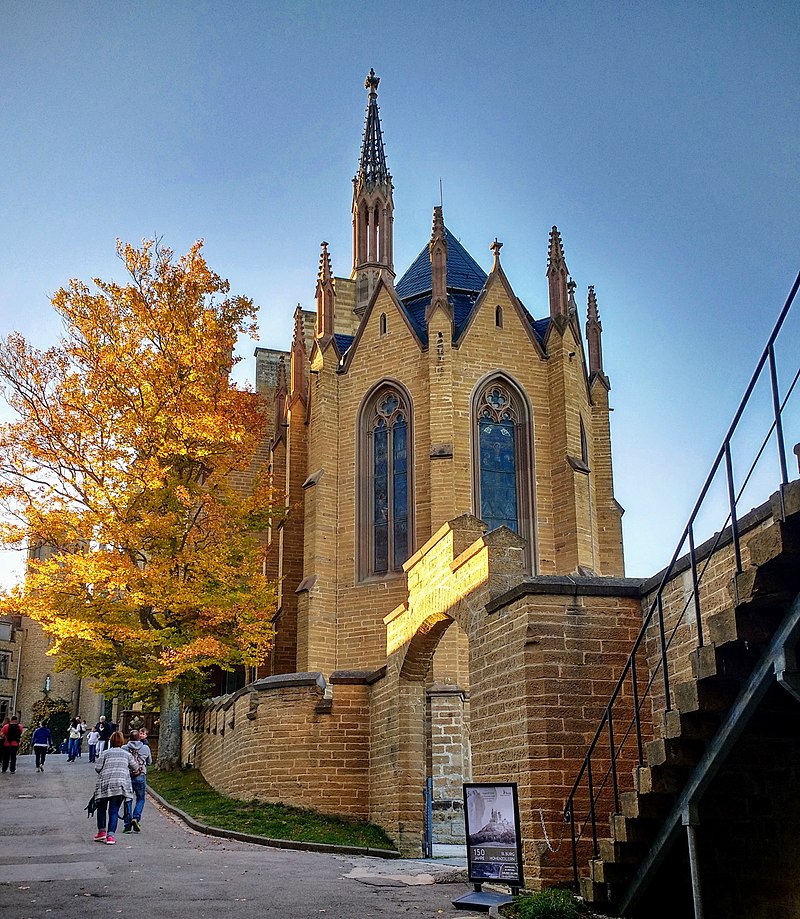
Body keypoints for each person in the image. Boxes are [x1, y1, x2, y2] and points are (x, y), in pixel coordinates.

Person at [93, 730, 135, 846]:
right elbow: (135, 767)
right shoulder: (127, 755)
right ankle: (110, 835)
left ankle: (101, 831)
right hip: (120, 785)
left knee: (101, 808)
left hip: (105, 785)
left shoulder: (105, 753)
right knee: (114, 811)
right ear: (122, 742)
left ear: (111, 741)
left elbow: (97, 768)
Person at [122, 729, 152, 833]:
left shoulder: (124, 748)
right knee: (140, 798)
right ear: (139, 738)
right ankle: (136, 817)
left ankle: (127, 824)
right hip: (140, 774)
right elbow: (149, 762)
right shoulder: (145, 748)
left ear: (129, 738)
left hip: (128, 775)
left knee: (128, 799)